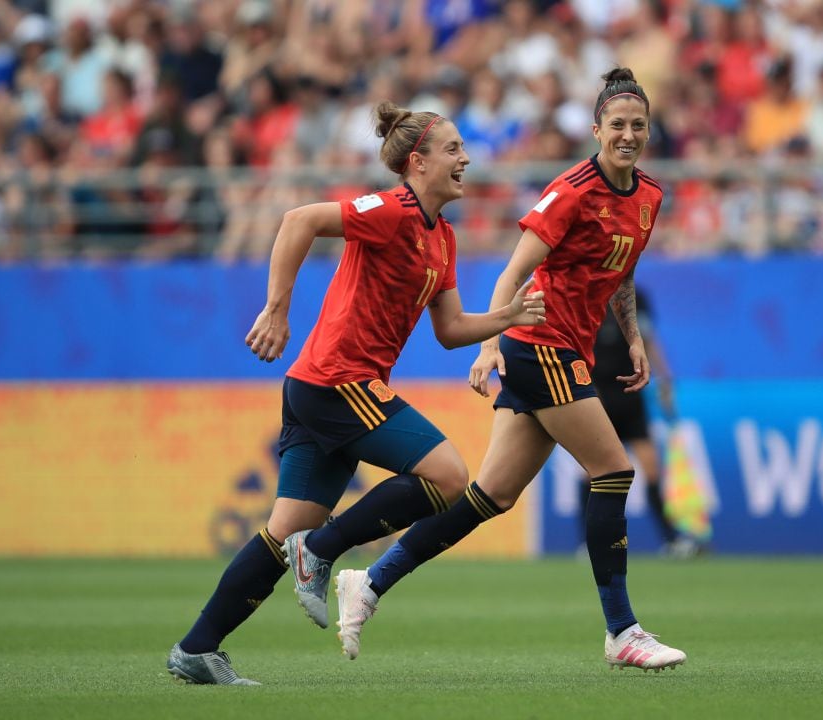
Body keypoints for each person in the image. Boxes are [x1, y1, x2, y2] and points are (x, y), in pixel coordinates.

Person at [294, 68, 687, 672]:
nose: (627, 135)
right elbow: (512, 272)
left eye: (637, 125)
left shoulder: (650, 197)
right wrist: (490, 346)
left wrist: (632, 336)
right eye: (616, 125)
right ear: (596, 130)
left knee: (490, 496)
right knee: (613, 470)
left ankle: (369, 583)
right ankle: (622, 631)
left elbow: (621, 270)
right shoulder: (571, 191)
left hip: (568, 348)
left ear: (649, 130)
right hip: (542, 343)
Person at [166, 101, 545, 685]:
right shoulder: (391, 209)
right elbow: (299, 220)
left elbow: (448, 331)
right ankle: (323, 551)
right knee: (447, 476)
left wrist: (507, 316)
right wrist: (276, 308)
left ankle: (197, 648)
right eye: (453, 149)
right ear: (417, 163)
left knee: (281, 532)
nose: (466, 158)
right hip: (337, 380)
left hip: (322, 388)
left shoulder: (442, 238)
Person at [578, 286, 698, 558]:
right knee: (590, 473)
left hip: (631, 395)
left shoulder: (635, 296)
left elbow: (649, 338)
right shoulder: (586, 293)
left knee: (652, 469)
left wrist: (665, 379)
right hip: (597, 395)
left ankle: (672, 540)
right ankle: (586, 543)